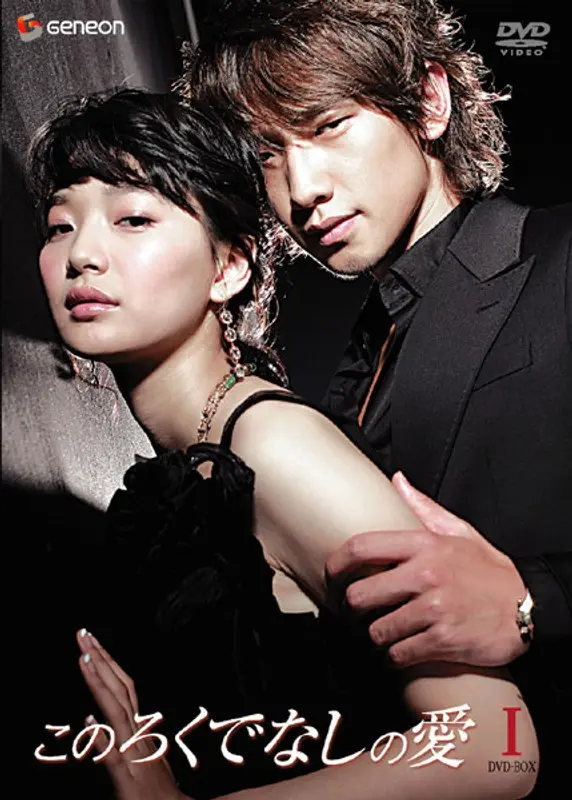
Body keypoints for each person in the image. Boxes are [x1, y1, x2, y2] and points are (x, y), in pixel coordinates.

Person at [27, 87, 537, 800]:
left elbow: (496, 747)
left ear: (228, 268)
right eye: (60, 226)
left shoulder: (276, 446)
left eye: (133, 218)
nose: (82, 255)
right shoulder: (192, 462)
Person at [175, 0, 571, 796]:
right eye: (268, 155)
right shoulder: (353, 369)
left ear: (428, 100)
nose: (303, 189)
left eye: (328, 126)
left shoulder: (560, 260)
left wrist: (537, 600)